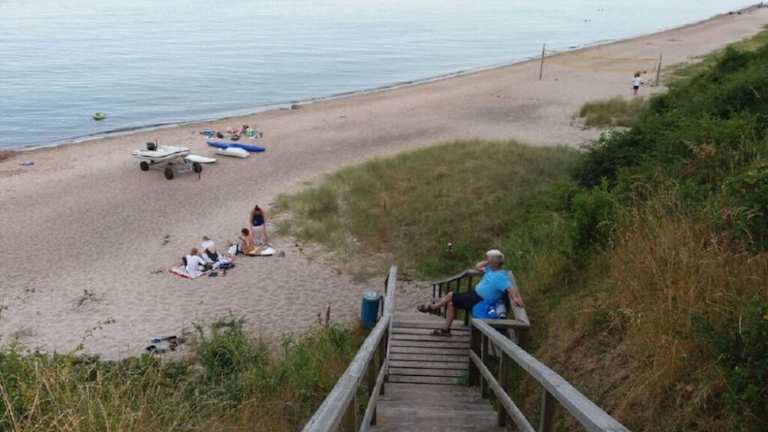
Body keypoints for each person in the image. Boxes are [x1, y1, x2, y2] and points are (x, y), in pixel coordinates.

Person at [416, 249, 524, 336]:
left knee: (451, 295)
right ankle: (445, 330)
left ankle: (433, 307)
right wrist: (488, 261)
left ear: (494, 262)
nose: (487, 259)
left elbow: (510, 288)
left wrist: (516, 298)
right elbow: (477, 266)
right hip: (473, 295)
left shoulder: (501, 276)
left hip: (479, 300)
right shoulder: (490, 269)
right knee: (451, 303)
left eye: (489, 258)